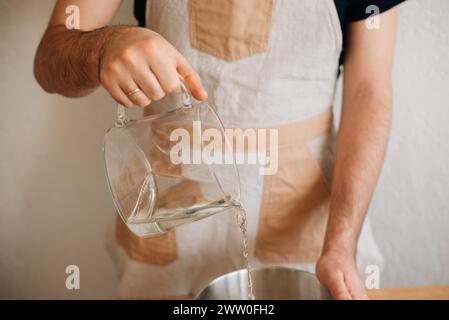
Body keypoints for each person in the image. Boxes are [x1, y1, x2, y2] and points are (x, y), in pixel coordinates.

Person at [34, 0, 405, 299]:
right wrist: (101, 47)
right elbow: (50, 57)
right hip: (168, 234)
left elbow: (368, 93)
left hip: (307, 241)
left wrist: (341, 243)